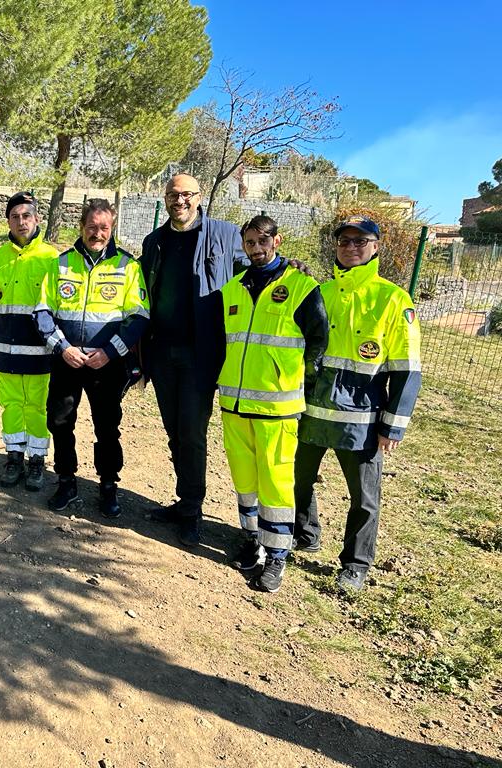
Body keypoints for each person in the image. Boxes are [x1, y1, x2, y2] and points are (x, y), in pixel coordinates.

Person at [294, 215, 421, 591]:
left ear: (376, 246)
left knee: (364, 497)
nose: (351, 247)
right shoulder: (321, 292)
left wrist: (393, 424)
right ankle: (306, 534)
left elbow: (407, 368)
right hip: (312, 410)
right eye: (344, 241)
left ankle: (356, 562)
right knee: (297, 481)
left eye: (360, 241)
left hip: (362, 419)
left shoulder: (394, 299)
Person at [218, 216, 327, 593]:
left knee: (277, 484)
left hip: (278, 410)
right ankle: (252, 540)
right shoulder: (232, 288)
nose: (256, 248)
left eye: (263, 241)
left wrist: (297, 379)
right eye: (249, 242)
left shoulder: (301, 286)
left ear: (277, 240)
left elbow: (319, 341)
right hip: (234, 404)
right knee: (245, 482)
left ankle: (278, 554)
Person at [140, 173, 249, 546]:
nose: (180, 201)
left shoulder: (225, 234)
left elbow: (255, 268)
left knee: (191, 433)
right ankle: (184, 499)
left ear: (199, 198)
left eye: (187, 194)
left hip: (201, 355)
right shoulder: (153, 242)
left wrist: (287, 267)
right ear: (165, 198)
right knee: (174, 432)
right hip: (162, 355)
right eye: (173, 195)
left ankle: (191, 509)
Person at [34, 199, 149, 518]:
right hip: (67, 360)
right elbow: (42, 311)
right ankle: (66, 481)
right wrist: (62, 347)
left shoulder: (128, 266)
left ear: (111, 228)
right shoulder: (60, 264)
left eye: (104, 228)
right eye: (91, 227)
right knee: (59, 422)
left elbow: (139, 317)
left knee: (107, 427)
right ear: (82, 227)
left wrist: (110, 352)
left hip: (106, 365)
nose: (97, 233)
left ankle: (108, 486)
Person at [0, 191, 57, 490]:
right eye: (15, 217)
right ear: (8, 221)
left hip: (40, 351)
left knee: (37, 408)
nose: (21, 221)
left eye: (27, 215)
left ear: (37, 218)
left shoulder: (51, 257)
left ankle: (37, 462)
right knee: (11, 406)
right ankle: (14, 458)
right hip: (5, 349)